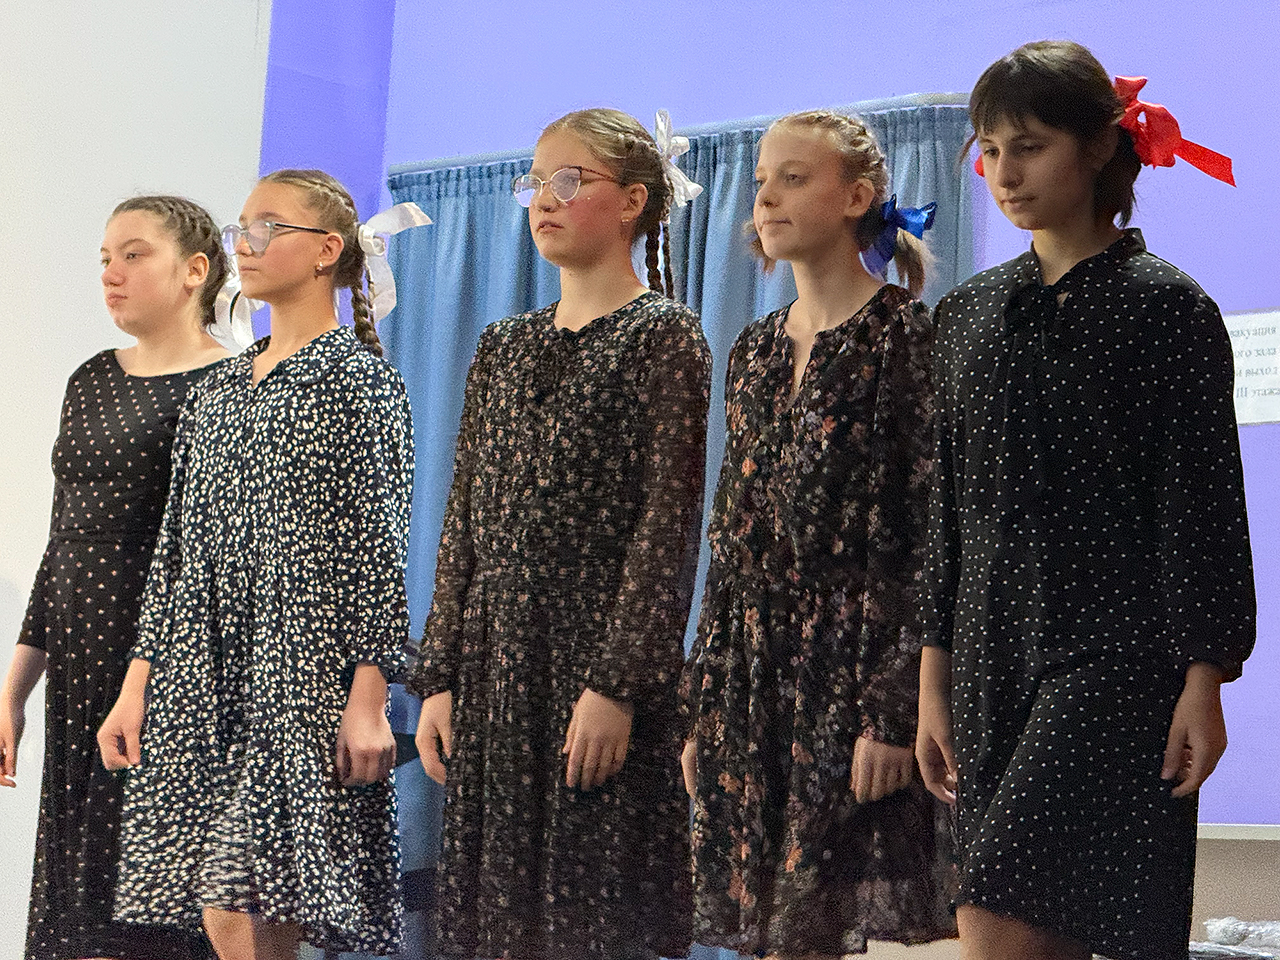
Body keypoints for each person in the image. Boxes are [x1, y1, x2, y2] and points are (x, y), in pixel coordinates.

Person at [916, 40, 1255, 960]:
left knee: (995, 906)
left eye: (1029, 146)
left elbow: (1200, 503)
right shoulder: (967, 313)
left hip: (1117, 651)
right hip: (989, 648)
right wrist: (932, 679)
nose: (1004, 172)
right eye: (990, 150)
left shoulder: (1166, 307)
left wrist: (1205, 677)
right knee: (1040, 924)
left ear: (1100, 145)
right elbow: (948, 507)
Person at [410, 107, 710, 960]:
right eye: (536, 182)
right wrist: (440, 676)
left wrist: (618, 685)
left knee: (589, 918)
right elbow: (463, 521)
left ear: (633, 201)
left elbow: (666, 526)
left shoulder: (663, 336)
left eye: (569, 180)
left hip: (593, 665)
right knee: (493, 921)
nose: (544, 198)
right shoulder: (502, 346)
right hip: (495, 663)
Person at [97, 170, 417, 959]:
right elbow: (176, 549)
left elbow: (379, 549)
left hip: (299, 669)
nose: (245, 243)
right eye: (242, 226)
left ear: (326, 251)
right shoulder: (216, 391)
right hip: (200, 672)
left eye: (268, 227)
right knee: (220, 893)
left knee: (258, 886)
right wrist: (136, 685)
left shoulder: (359, 382)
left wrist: (369, 695)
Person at [680, 110, 955, 959]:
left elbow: (927, 535)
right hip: (752, 676)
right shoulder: (755, 349)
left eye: (793, 179)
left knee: (824, 926)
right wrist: (703, 703)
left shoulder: (908, 338)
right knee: (767, 933)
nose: (766, 197)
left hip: (852, 669)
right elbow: (732, 536)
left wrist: (893, 707)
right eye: (762, 180)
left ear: (857, 197)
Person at [0, 195, 228, 960]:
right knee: (72, 908)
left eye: (133, 254)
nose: (111, 273)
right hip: (75, 671)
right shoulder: (91, 378)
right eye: (104, 258)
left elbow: (202, 558)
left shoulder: (229, 386)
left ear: (194, 270)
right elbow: (62, 542)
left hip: (162, 672)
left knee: (141, 915)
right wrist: (13, 690)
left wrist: (145, 683)